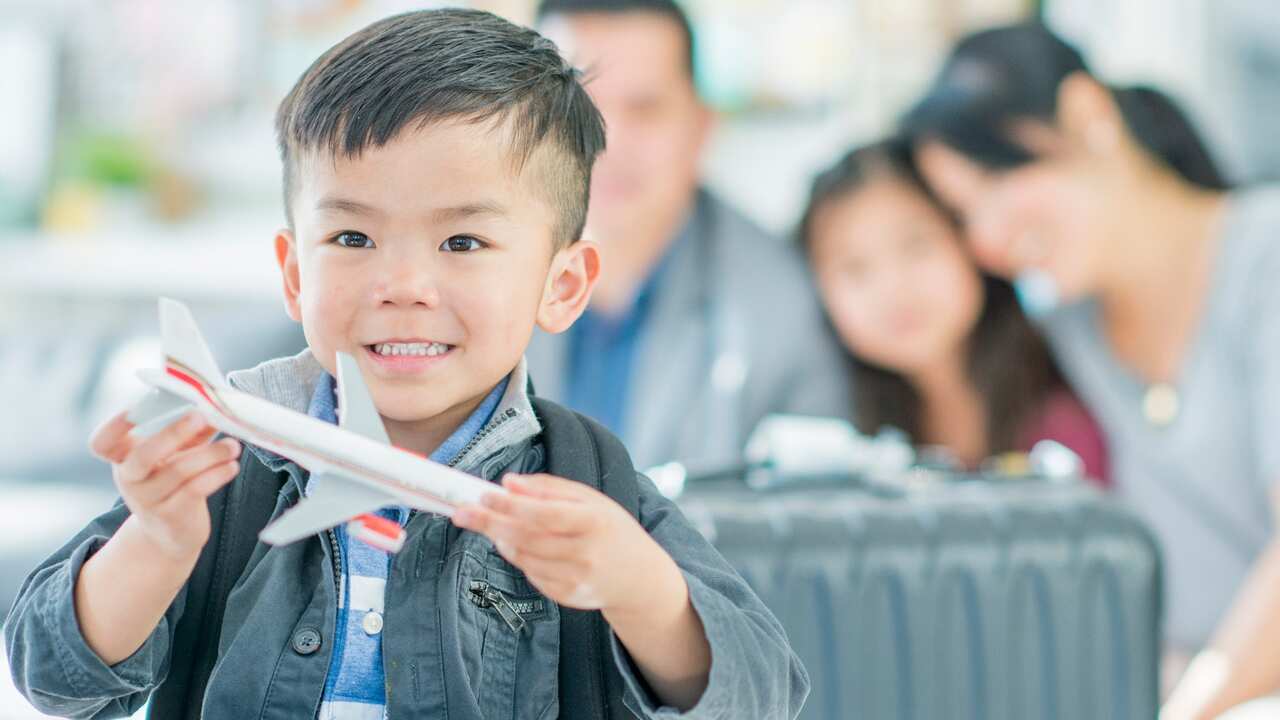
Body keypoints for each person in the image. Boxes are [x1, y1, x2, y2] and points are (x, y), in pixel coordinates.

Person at [2, 10, 808, 719]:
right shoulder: (226, 467)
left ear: (561, 286)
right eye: (352, 238)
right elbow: (50, 677)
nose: (403, 288)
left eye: (463, 242)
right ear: (293, 273)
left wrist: (638, 585)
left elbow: (766, 691)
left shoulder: (588, 480)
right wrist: (156, 542)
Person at [902, 22, 1280, 720]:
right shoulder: (1066, 328)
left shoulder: (1264, 256)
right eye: (962, 214)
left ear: (1088, 116)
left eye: (996, 178)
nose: (985, 238)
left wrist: (1191, 708)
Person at [527, 0, 850, 472]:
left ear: (701, 126)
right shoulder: (461, 267)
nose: (606, 141)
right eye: (575, 106)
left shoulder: (785, 304)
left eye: (645, 108)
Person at [799, 137, 1108, 481]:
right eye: (854, 267)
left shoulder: (1072, 402)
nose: (893, 288)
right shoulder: (830, 442)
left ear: (969, 235)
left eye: (916, 244)